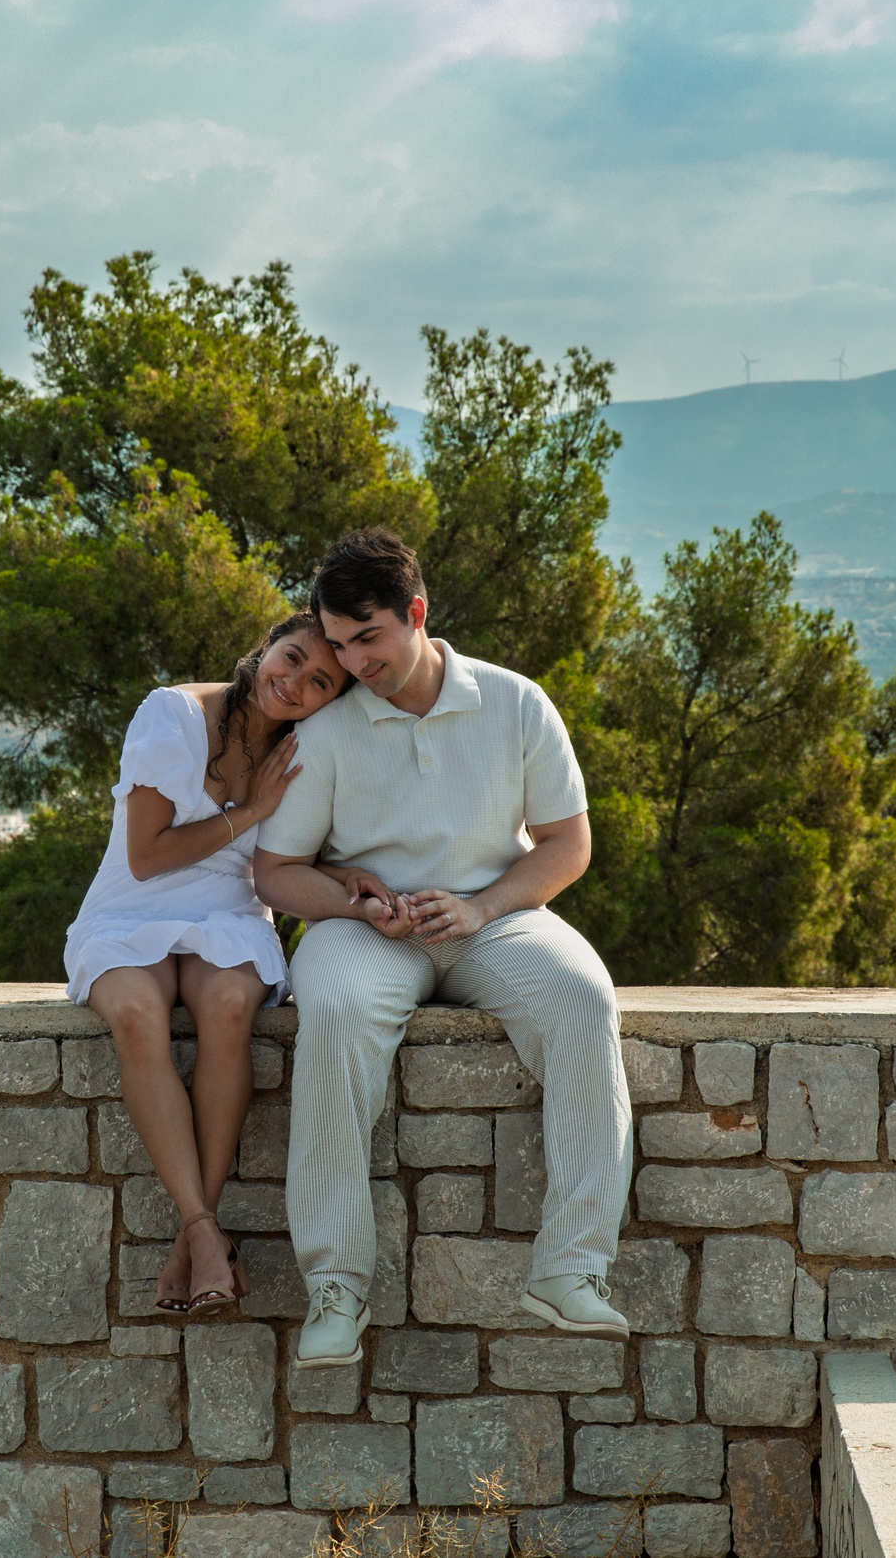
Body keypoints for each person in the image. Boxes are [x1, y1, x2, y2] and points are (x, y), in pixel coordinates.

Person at [254, 528, 633, 1367]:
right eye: (340, 644)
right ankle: (336, 1285)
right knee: (341, 1009)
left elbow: (568, 846)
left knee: (583, 997)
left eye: (368, 638)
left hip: (495, 919)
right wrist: (354, 902)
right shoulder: (325, 735)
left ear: (416, 614)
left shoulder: (516, 703)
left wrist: (481, 906)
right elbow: (278, 873)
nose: (353, 663)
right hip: (366, 934)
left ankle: (572, 1270)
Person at [66, 611, 364, 1315]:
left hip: (229, 913)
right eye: (289, 659)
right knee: (137, 1014)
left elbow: (304, 854)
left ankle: (193, 1241)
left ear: (331, 699)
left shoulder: (308, 749)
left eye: (319, 680)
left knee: (230, 1007)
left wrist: (359, 881)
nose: (293, 683)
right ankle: (205, 1231)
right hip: (129, 909)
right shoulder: (172, 714)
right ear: (265, 649)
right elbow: (147, 856)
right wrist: (252, 807)